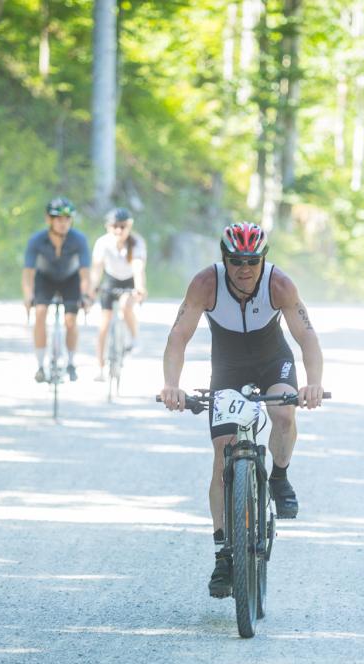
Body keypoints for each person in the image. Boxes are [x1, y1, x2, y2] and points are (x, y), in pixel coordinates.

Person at [159, 222, 325, 598]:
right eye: (236, 261)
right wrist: (171, 385)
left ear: (263, 260)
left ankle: (279, 477)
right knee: (223, 453)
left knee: (283, 415)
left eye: (252, 261)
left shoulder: (279, 284)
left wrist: (313, 382)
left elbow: (307, 336)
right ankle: (223, 555)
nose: (245, 269)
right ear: (224, 259)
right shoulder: (206, 283)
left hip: (273, 362)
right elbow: (178, 337)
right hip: (228, 368)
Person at [22, 197, 91, 381]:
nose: (63, 223)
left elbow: (85, 272)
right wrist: (28, 296)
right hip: (45, 279)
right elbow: (28, 272)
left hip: (70, 279)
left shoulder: (79, 239)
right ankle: (40, 365)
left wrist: (86, 295)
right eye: (59, 219)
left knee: (71, 320)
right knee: (40, 313)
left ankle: (71, 362)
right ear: (49, 220)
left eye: (67, 219)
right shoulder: (37, 240)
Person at [88, 207, 147, 381]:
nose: (119, 230)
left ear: (129, 226)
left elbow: (138, 268)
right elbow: (97, 269)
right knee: (104, 325)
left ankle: (134, 338)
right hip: (111, 280)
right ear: (108, 227)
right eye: (115, 226)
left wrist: (140, 288)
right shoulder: (102, 243)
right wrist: (92, 289)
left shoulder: (137, 242)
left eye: (123, 226)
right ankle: (100, 368)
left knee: (125, 306)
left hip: (130, 281)